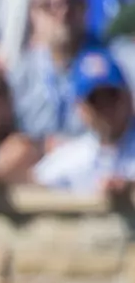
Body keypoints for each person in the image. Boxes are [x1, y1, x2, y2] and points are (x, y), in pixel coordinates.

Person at [12, 0, 135, 143]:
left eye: (71, 0)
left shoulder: (122, 59)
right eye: (48, 5)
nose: (62, 11)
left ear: (86, 5)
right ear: (33, 14)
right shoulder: (21, 74)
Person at [33, 47, 135, 191]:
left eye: (111, 96)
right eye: (95, 100)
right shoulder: (72, 157)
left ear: (128, 98)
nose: (105, 108)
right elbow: (34, 183)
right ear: (81, 108)